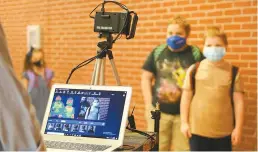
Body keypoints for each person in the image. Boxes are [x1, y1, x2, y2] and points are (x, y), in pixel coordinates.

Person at [141, 15, 203, 151]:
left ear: (187, 34)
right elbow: (146, 77)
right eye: (170, 33)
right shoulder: (158, 52)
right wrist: (148, 103)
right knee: (157, 148)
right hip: (158, 113)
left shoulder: (195, 53)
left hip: (185, 115)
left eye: (179, 33)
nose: (173, 36)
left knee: (184, 149)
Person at [180, 26, 244, 151]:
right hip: (197, 131)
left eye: (218, 45)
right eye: (209, 45)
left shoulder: (234, 71)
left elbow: (239, 102)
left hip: (224, 133)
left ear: (226, 47)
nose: (213, 48)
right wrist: (184, 122)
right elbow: (186, 99)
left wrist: (238, 128)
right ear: (203, 47)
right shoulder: (194, 69)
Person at [0, 23, 46, 150]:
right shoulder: (27, 75)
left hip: (40, 106)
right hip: (32, 109)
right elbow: (13, 98)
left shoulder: (45, 74)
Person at [21, 47, 54, 125]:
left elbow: (52, 89)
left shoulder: (48, 73)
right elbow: (24, 93)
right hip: (33, 108)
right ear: (31, 60)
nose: (39, 61)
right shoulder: (28, 74)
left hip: (45, 106)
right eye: (36, 58)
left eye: (40, 58)